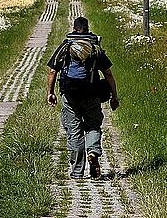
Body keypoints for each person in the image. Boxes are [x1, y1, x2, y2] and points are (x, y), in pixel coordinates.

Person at [46, 16, 119, 179]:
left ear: (74, 29)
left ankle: (78, 172)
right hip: (92, 94)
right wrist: (114, 96)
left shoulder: (66, 46)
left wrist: (50, 93)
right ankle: (93, 152)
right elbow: (108, 73)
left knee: (74, 131)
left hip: (70, 95)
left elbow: (52, 71)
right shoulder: (95, 48)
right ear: (87, 29)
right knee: (93, 125)